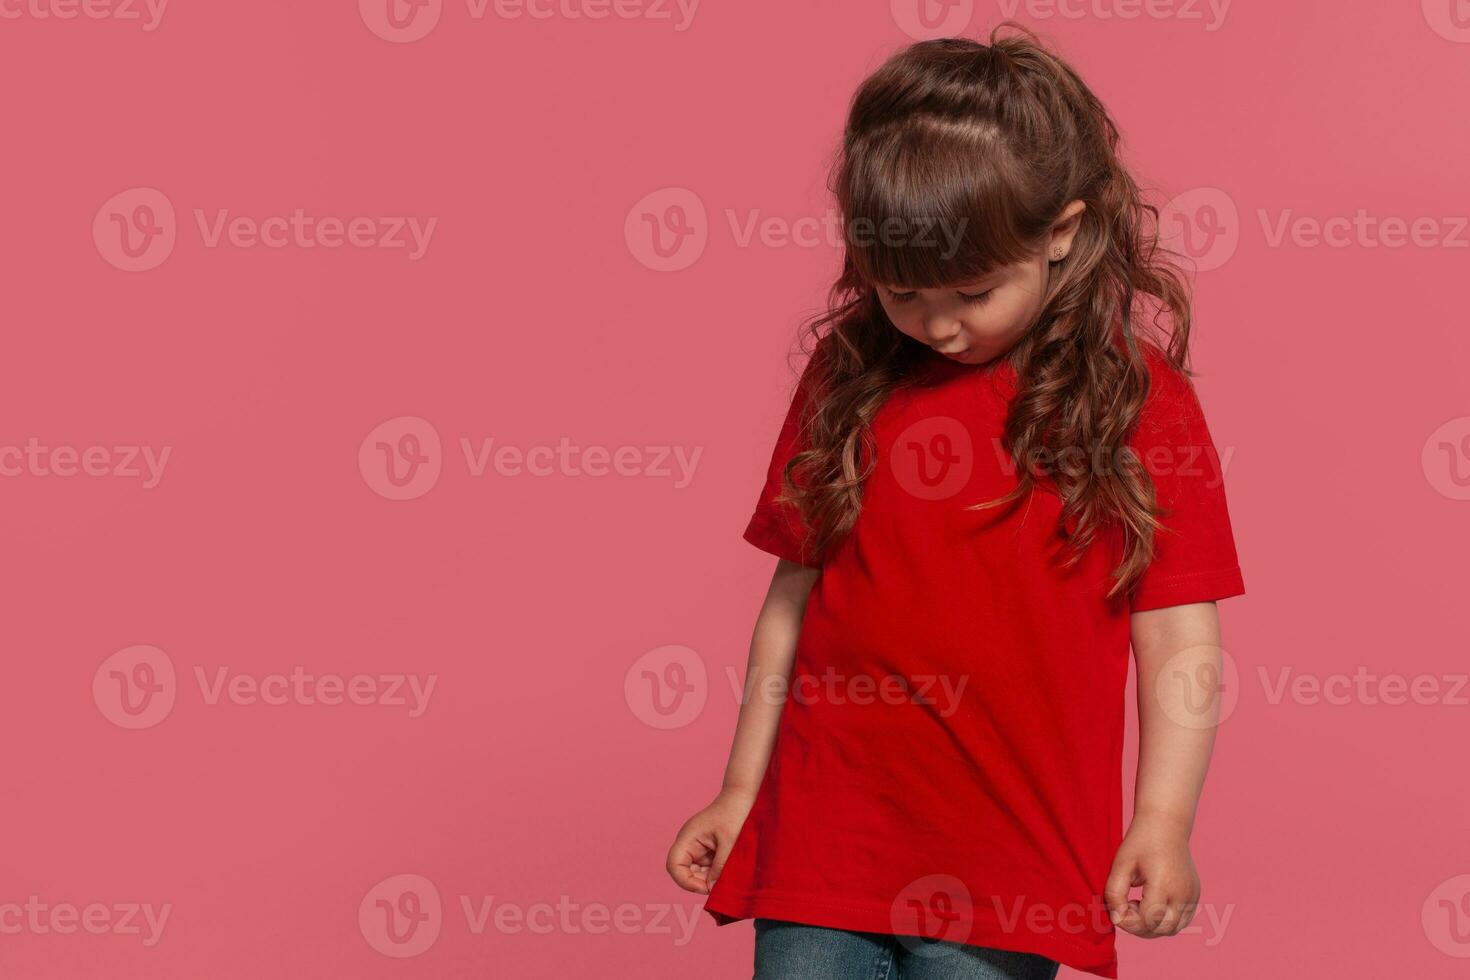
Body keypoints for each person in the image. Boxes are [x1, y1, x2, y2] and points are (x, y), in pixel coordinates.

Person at [666, 24, 1244, 980]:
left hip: (1008, 857)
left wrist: (1163, 818)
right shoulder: (850, 370)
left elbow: (1179, 631)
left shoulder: (1136, 399)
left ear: (1061, 230)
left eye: (973, 292)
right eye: (901, 294)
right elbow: (792, 597)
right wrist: (741, 791)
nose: (937, 326)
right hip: (823, 835)